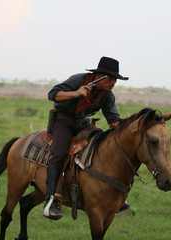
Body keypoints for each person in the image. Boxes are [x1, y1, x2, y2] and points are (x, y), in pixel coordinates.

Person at [44, 56, 131, 219]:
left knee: (103, 148)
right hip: (63, 120)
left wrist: (118, 125)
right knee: (59, 154)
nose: (113, 83)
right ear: (99, 76)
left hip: (82, 123)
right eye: (111, 78)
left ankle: (113, 197)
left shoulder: (107, 95)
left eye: (115, 79)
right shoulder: (79, 80)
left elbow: (113, 118)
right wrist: (75, 93)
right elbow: (52, 94)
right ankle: (51, 199)